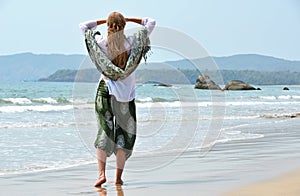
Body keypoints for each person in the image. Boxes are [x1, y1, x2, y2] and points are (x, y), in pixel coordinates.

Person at [79, 12, 156, 187]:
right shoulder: (132, 42)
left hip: (104, 91)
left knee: (104, 132)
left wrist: (103, 21)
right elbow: (150, 22)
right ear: (124, 26)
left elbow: (84, 26)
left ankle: (101, 174)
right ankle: (118, 178)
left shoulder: (100, 42)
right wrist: (129, 19)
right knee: (124, 136)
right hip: (125, 96)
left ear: (108, 26)